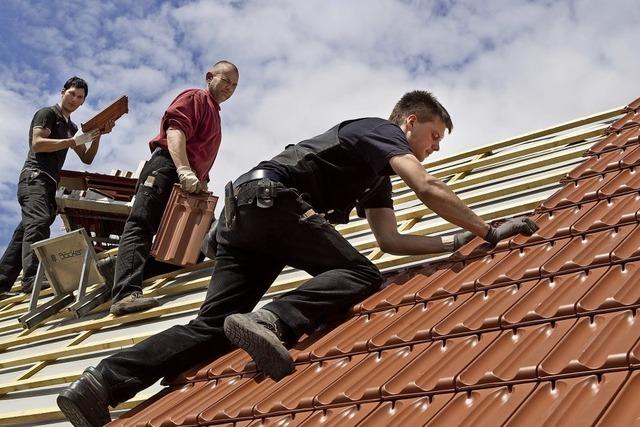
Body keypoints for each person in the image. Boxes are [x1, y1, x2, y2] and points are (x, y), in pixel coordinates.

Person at [57, 90, 538, 426]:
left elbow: (391, 239)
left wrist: (456, 246)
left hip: (246, 214)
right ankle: (272, 320)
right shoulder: (378, 131)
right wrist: (488, 230)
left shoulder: (374, 174)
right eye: (434, 136)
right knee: (358, 274)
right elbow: (426, 186)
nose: (434, 148)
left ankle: (101, 384)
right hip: (272, 200)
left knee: (213, 327)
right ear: (409, 122)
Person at [104, 60, 239, 316]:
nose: (229, 88)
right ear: (209, 77)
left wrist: (201, 185)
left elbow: (202, 155)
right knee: (142, 223)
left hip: (188, 181)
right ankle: (124, 294)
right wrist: (184, 170)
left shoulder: (214, 114)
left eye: (234, 85)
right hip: (168, 167)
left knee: (190, 248)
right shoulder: (196, 97)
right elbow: (176, 130)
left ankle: (123, 269)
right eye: (225, 81)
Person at [0, 77, 113, 300]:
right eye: (72, 93)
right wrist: (74, 141)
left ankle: (1, 282)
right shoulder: (47, 114)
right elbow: (37, 143)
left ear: (82, 102)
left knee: (25, 231)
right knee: (39, 222)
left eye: (80, 97)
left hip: (49, 183)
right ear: (62, 92)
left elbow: (87, 158)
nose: (74, 99)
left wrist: (97, 136)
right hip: (35, 177)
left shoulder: (71, 127)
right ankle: (32, 278)